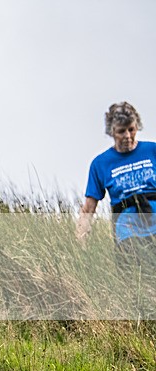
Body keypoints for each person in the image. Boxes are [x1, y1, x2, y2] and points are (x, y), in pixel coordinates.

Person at [78, 102, 156, 315]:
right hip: (127, 229)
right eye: (122, 131)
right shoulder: (100, 164)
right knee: (137, 280)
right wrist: (82, 236)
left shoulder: (152, 150)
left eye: (132, 129)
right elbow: (89, 207)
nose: (128, 136)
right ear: (112, 132)